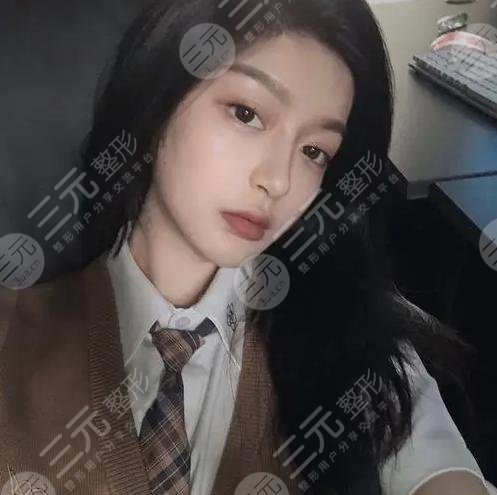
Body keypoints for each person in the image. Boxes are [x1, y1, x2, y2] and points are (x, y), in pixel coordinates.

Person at [0, 0, 491, 494]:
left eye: (314, 151)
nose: (279, 180)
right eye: (246, 113)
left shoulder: (350, 338)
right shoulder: (17, 335)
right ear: (156, 101)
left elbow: (437, 465)